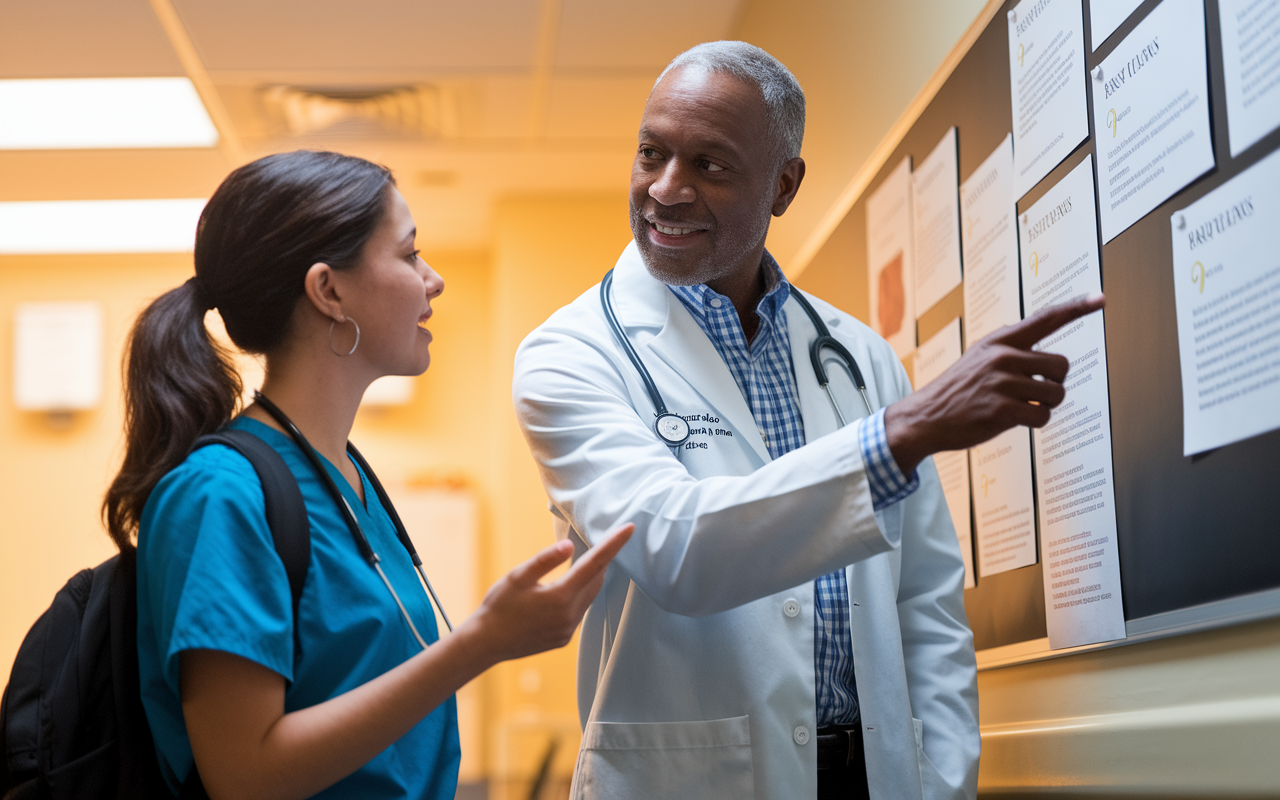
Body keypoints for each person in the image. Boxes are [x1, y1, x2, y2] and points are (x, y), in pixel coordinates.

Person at [512, 42, 1104, 800]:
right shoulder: (570, 354)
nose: (666, 189)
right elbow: (676, 547)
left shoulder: (857, 356)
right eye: (651, 153)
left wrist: (943, 782)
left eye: (710, 165)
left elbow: (924, 601)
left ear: (783, 185)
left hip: (876, 776)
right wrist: (900, 435)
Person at [104, 150, 632, 800]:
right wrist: (479, 645)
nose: (432, 280)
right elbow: (243, 775)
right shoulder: (220, 494)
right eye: (410, 256)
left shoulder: (346, 475)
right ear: (329, 290)